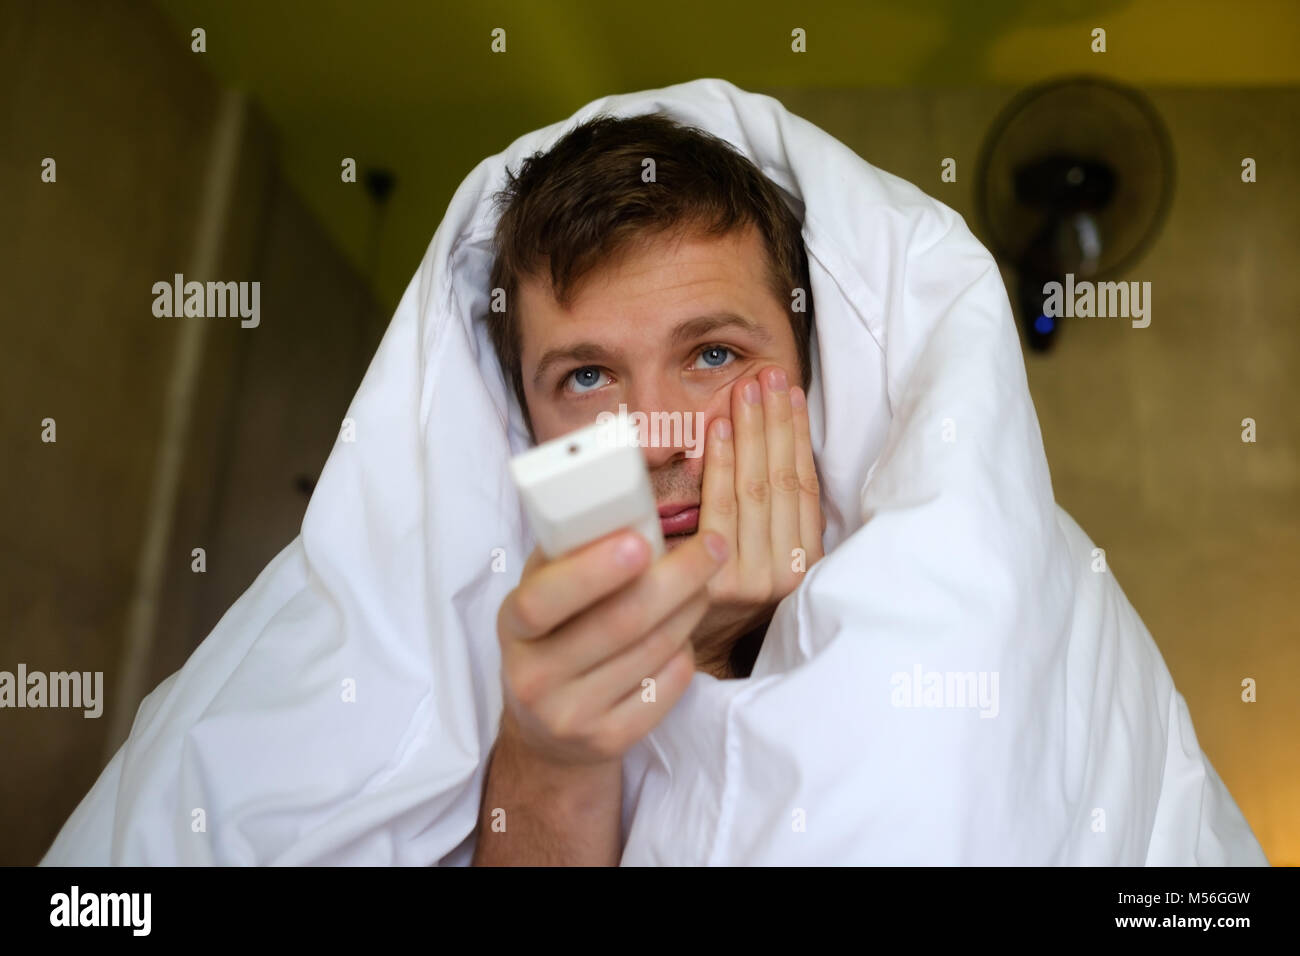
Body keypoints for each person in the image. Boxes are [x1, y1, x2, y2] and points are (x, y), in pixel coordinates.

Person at [475, 113, 829, 864]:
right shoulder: (482, 662)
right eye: (588, 377)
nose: (657, 437)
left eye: (711, 354)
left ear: (809, 363)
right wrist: (551, 756)